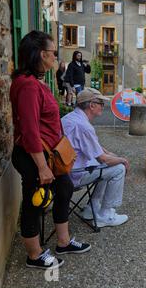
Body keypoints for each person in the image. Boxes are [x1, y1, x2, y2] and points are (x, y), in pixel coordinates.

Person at [10, 31, 91, 270]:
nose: (56, 58)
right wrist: (42, 166)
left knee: (64, 187)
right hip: (34, 155)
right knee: (34, 203)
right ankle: (34, 255)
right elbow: (30, 130)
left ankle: (63, 242)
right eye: (53, 53)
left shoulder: (34, 83)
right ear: (41, 54)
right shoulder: (27, 86)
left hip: (49, 153)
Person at [61, 88, 129, 227]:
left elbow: (93, 146)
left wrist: (110, 154)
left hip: (63, 170)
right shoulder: (84, 126)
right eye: (100, 103)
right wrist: (123, 160)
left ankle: (91, 208)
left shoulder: (69, 118)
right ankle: (105, 214)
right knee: (118, 168)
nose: (103, 106)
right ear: (91, 105)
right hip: (73, 174)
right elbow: (102, 159)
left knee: (106, 166)